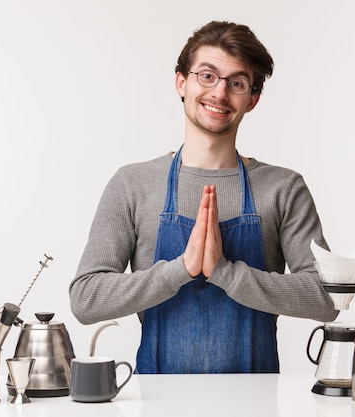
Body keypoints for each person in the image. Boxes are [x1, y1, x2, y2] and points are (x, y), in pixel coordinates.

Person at [69, 20, 338, 374]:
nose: (219, 93)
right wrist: (180, 270)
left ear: (252, 99)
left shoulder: (283, 187)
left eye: (237, 83)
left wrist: (226, 273)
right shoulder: (132, 184)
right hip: (157, 402)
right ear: (181, 82)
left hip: (255, 404)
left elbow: (328, 296)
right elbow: (86, 299)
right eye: (207, 76)